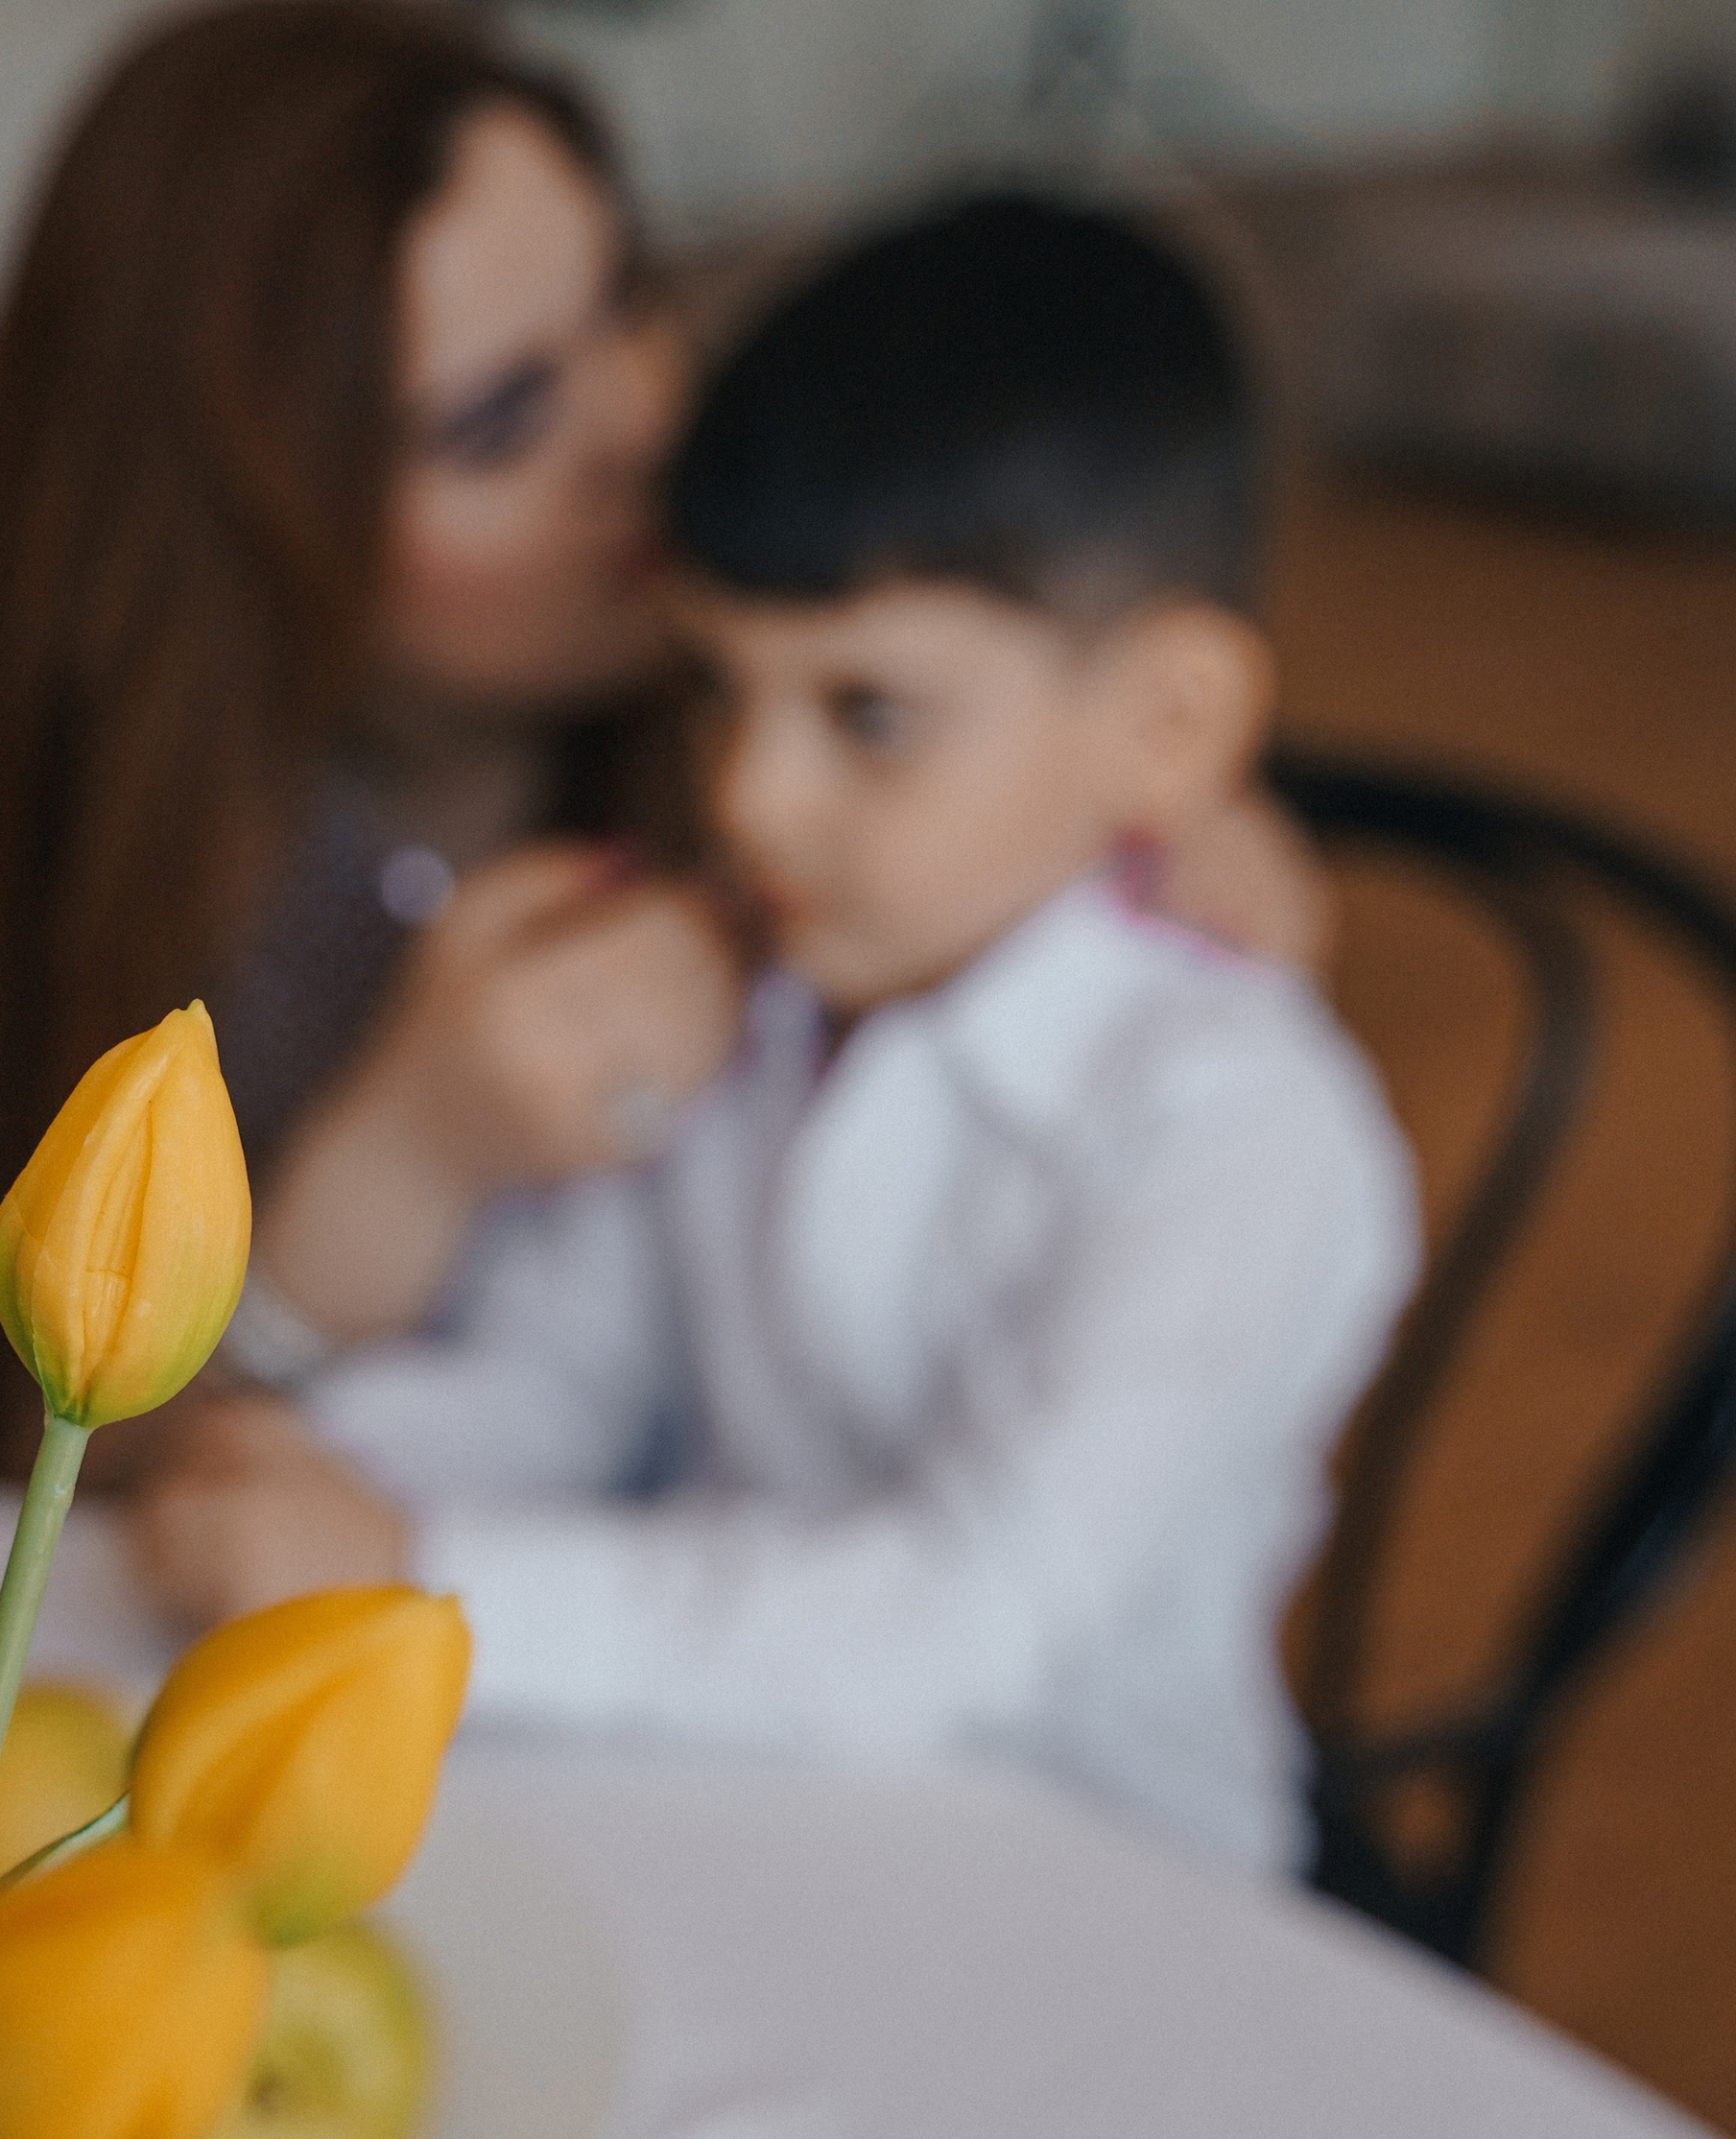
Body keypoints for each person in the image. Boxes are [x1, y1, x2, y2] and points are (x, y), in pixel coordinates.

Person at [132, 193, 1420, 1876]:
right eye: (717, 692)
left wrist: (409, 1570)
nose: (750, 795)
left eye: (865, 715)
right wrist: (314, 1465)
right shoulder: (742, 996)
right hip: (721, 1796)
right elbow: (567, 1374)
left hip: (1092, 1885)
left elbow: (966, 1617)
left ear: (1169, 723)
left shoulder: (1241, 1135)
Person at [0, 1, 1325, 1481]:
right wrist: (403, 1161)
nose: (647, 424)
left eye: (630, 298)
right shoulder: (193, 888)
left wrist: (1135, 853)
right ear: (235, 528)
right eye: (502, 421)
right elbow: (43, 1513)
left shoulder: (785, 719)